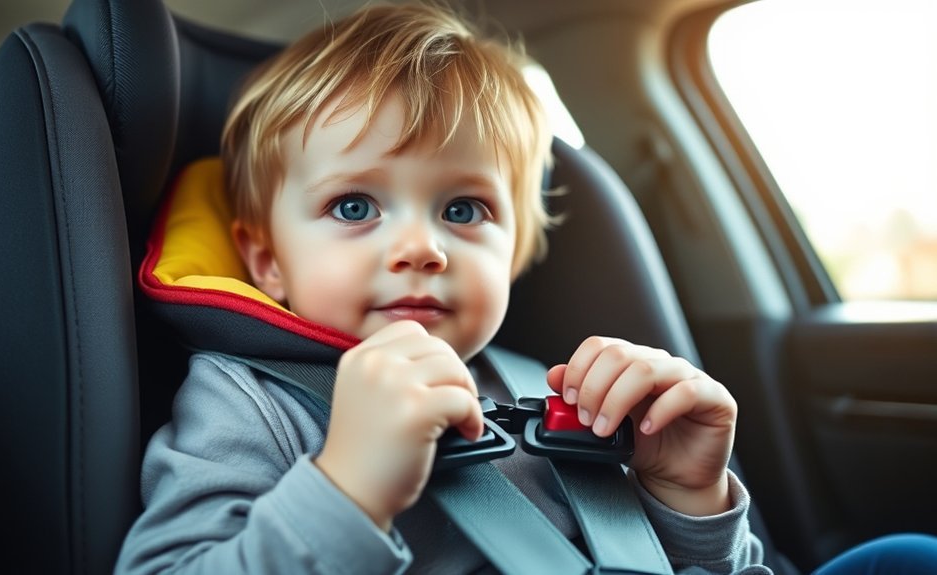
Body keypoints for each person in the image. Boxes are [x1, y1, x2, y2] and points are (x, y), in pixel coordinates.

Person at [116, 3, 770, 573]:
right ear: (268, 260)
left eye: (462, 211)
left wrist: (689, 496)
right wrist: (347, 485)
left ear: (512, 253)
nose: (422, 249)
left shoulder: (557, 394)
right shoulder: (250, 402)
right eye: (353, 207)